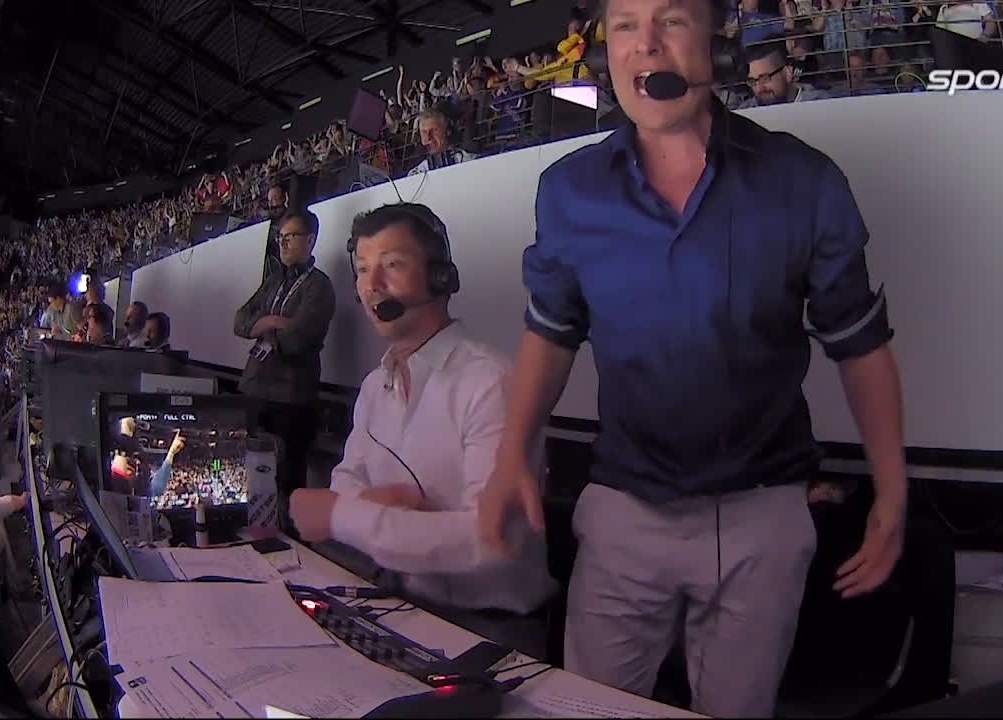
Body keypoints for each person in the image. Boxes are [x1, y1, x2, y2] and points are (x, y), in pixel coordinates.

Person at [476, 0, 908, 714]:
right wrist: (510, 454)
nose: (645, 45)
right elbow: (550, 331)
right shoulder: (569, 191)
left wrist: (892, 494)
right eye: (625, 25)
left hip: (762, 518)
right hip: (622, 511)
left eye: (671, 20)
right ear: (603, 54)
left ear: (719, 43)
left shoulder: (803, 180)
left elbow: (860, 344)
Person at [289, 204, 557, 657]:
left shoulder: (491, 382)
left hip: (493, 631)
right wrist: (380, 505)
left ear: (439, 278)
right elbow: (345, 480)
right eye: (362, 269)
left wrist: (343, 517)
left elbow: (488, 542)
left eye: (392, 264)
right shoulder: (375, 386)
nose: (371, 285)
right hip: (402, 606)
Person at [233, 209, 336, 536]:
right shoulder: (274, 280)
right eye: (280, 237)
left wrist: (265, 328)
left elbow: (298, 339)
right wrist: (273, 321)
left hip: (292, 396)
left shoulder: (320, 286)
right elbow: (240, 321)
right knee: (249, 472)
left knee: (289, 482)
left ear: (310, 240)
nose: (283, 243)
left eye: (290, 236)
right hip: (254, 388)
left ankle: (295, 544)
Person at [107, 418, 186, 497]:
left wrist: (171, 453)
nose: (135, 463)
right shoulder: (112, 481)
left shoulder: (137, 489)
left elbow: (155, 490)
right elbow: (155, 490)